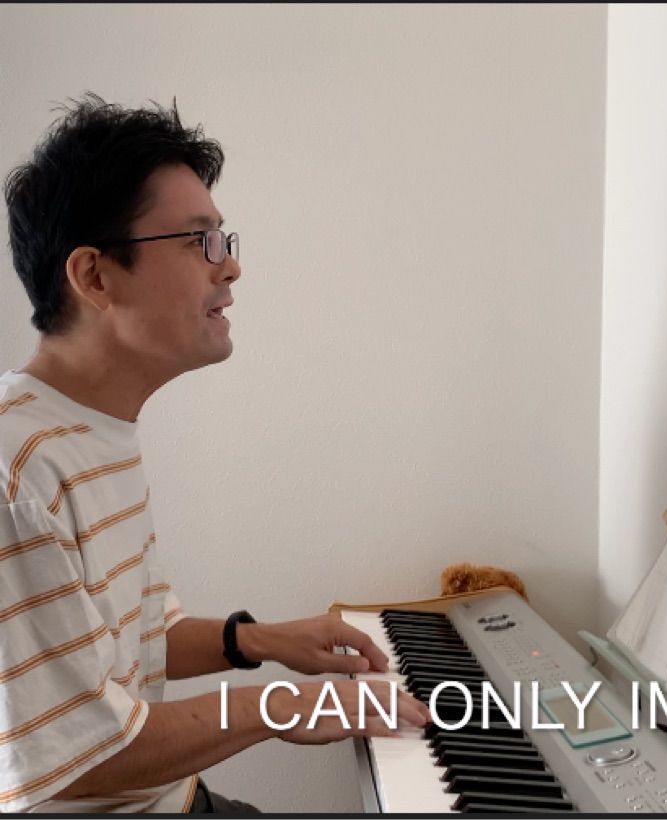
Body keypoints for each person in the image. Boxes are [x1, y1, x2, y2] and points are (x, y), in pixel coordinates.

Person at [0, 94, 430, 815]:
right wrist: (278, 706)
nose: (229, 268)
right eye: (199, 241)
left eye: (224, 240)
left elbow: (138, 638)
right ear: (95, 276)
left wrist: (257, 640)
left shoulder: (93, 430)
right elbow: (79, 761)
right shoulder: (17, 472)